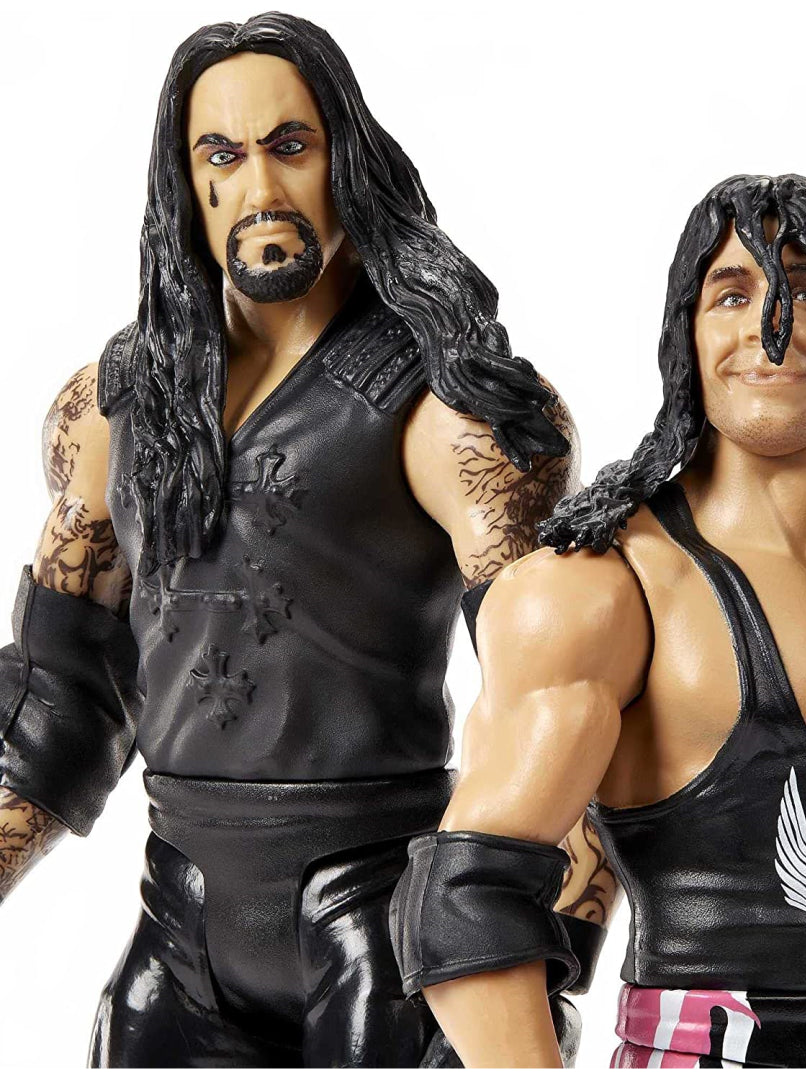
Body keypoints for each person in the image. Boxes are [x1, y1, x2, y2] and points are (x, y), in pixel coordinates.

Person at [0, 12, 588, 1067]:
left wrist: (535, 971)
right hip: (178, 915)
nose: (260, 187)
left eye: (291, 145)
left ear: (343, 159)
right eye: (222, 154)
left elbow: (567, 708)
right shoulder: (113, 407)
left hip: (378, 922)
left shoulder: (453, 409)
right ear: (187, 183)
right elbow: (56, 701)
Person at [390, 174, 806, 1068]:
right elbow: (464, 905)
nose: (771, 325)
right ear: (687, 337)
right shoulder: (596, 593)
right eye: (732, 294)